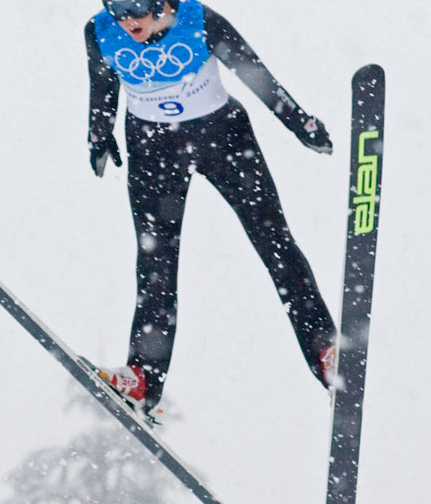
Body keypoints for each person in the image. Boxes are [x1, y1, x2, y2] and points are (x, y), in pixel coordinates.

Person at [86, 0, 338, 421]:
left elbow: (256, 75)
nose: (128, 22)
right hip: (152, 149)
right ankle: (142, 380)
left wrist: (299, 122)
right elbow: (103, 85)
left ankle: (327, 355)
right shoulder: (99, 32)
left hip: (222, 138)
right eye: (118, 10)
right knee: (155, 263)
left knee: (275, 244)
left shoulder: (198, 20)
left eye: (137, 10)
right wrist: (98, 132)